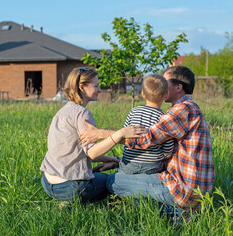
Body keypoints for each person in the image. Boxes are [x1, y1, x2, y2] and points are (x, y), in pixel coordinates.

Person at [80, 65, 215, 219]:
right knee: (126, 180)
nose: (162, 83)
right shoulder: (184, 109)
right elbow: (164, 150)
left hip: (182, 189)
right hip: (187, 186)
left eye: (166, 80)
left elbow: (146, 138)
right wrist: (119, 161)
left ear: (178, 87)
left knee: (112, 181)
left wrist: (100, 133)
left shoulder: (183, 110)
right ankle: (170, 211)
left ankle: (177, 214)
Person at [40, 67, 145, 203]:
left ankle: (67, 204)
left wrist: (113, 160)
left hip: (48, 183)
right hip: (70, 187)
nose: (100, 90)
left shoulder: (62, 112)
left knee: (99, 175)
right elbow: (92, 153)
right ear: (82, 87)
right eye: (96, 86)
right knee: (114, 180)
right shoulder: (82, 113)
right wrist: (120, 134)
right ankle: (117, 207)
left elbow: (76, 152)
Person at [118, 74, 174, 175]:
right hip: (152, 165)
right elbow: (168, 147)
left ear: (143, 94)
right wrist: (165, 155)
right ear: (166, 95)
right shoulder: (164, 118)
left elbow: (124, 134)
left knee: (122, 172)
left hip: (129, 162)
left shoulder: (134, 111)